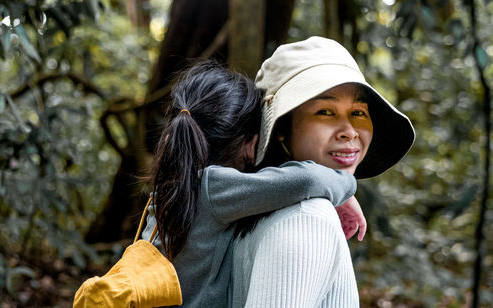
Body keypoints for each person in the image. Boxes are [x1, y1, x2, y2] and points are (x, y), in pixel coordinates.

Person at [141, 60, 367, 307]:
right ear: (251, 145)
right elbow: (306, 180)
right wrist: (345, 188)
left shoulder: (171, 188)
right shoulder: (211, 187)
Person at [232, 36, 415, 308]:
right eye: (326, 111)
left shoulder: (250, 207)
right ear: (281, 130)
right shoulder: (306, 219)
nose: (350, 131)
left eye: (358, 112)